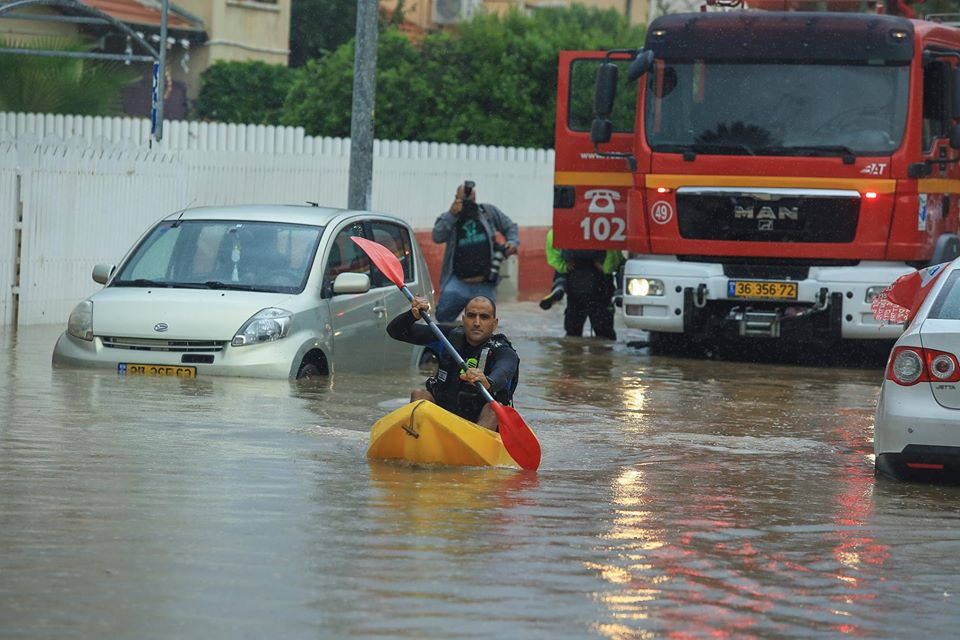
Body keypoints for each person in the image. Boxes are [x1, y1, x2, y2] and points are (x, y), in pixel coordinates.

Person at [387, 295, 519, 431]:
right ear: (463, 319)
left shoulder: (504, 351)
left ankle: (473, 446)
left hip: (481, 427)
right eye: (471, 316)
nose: (477, 323)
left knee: (493, 408)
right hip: (445, 419)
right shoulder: (446, 337)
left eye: (484, 317)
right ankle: (417, 441)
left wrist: (488, 382)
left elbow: (504, 370)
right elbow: (396, 332)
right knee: (420, 395)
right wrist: (412, 315)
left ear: (495, 323)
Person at [432, 182, 520, 322]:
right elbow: (437, 236)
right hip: (457, 283)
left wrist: (512, 243)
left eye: (471, 196)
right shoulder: (449, 217)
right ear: (456, 197)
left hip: (485, 284)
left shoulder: (488, 212)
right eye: (464, 196)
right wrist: (452, 214)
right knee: (442, 321)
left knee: (485, 327)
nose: (468, 199)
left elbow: (511, 227)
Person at [542, 228, 624, 340]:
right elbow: (615, 259)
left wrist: (564, 266)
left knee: (573, 332)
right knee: (605, 335)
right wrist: (606, 267)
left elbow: (554, 254)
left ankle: (559, 286)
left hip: (574, 278)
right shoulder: (607, 226)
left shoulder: (560, 230)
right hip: (601, 280)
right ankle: (620, 291)